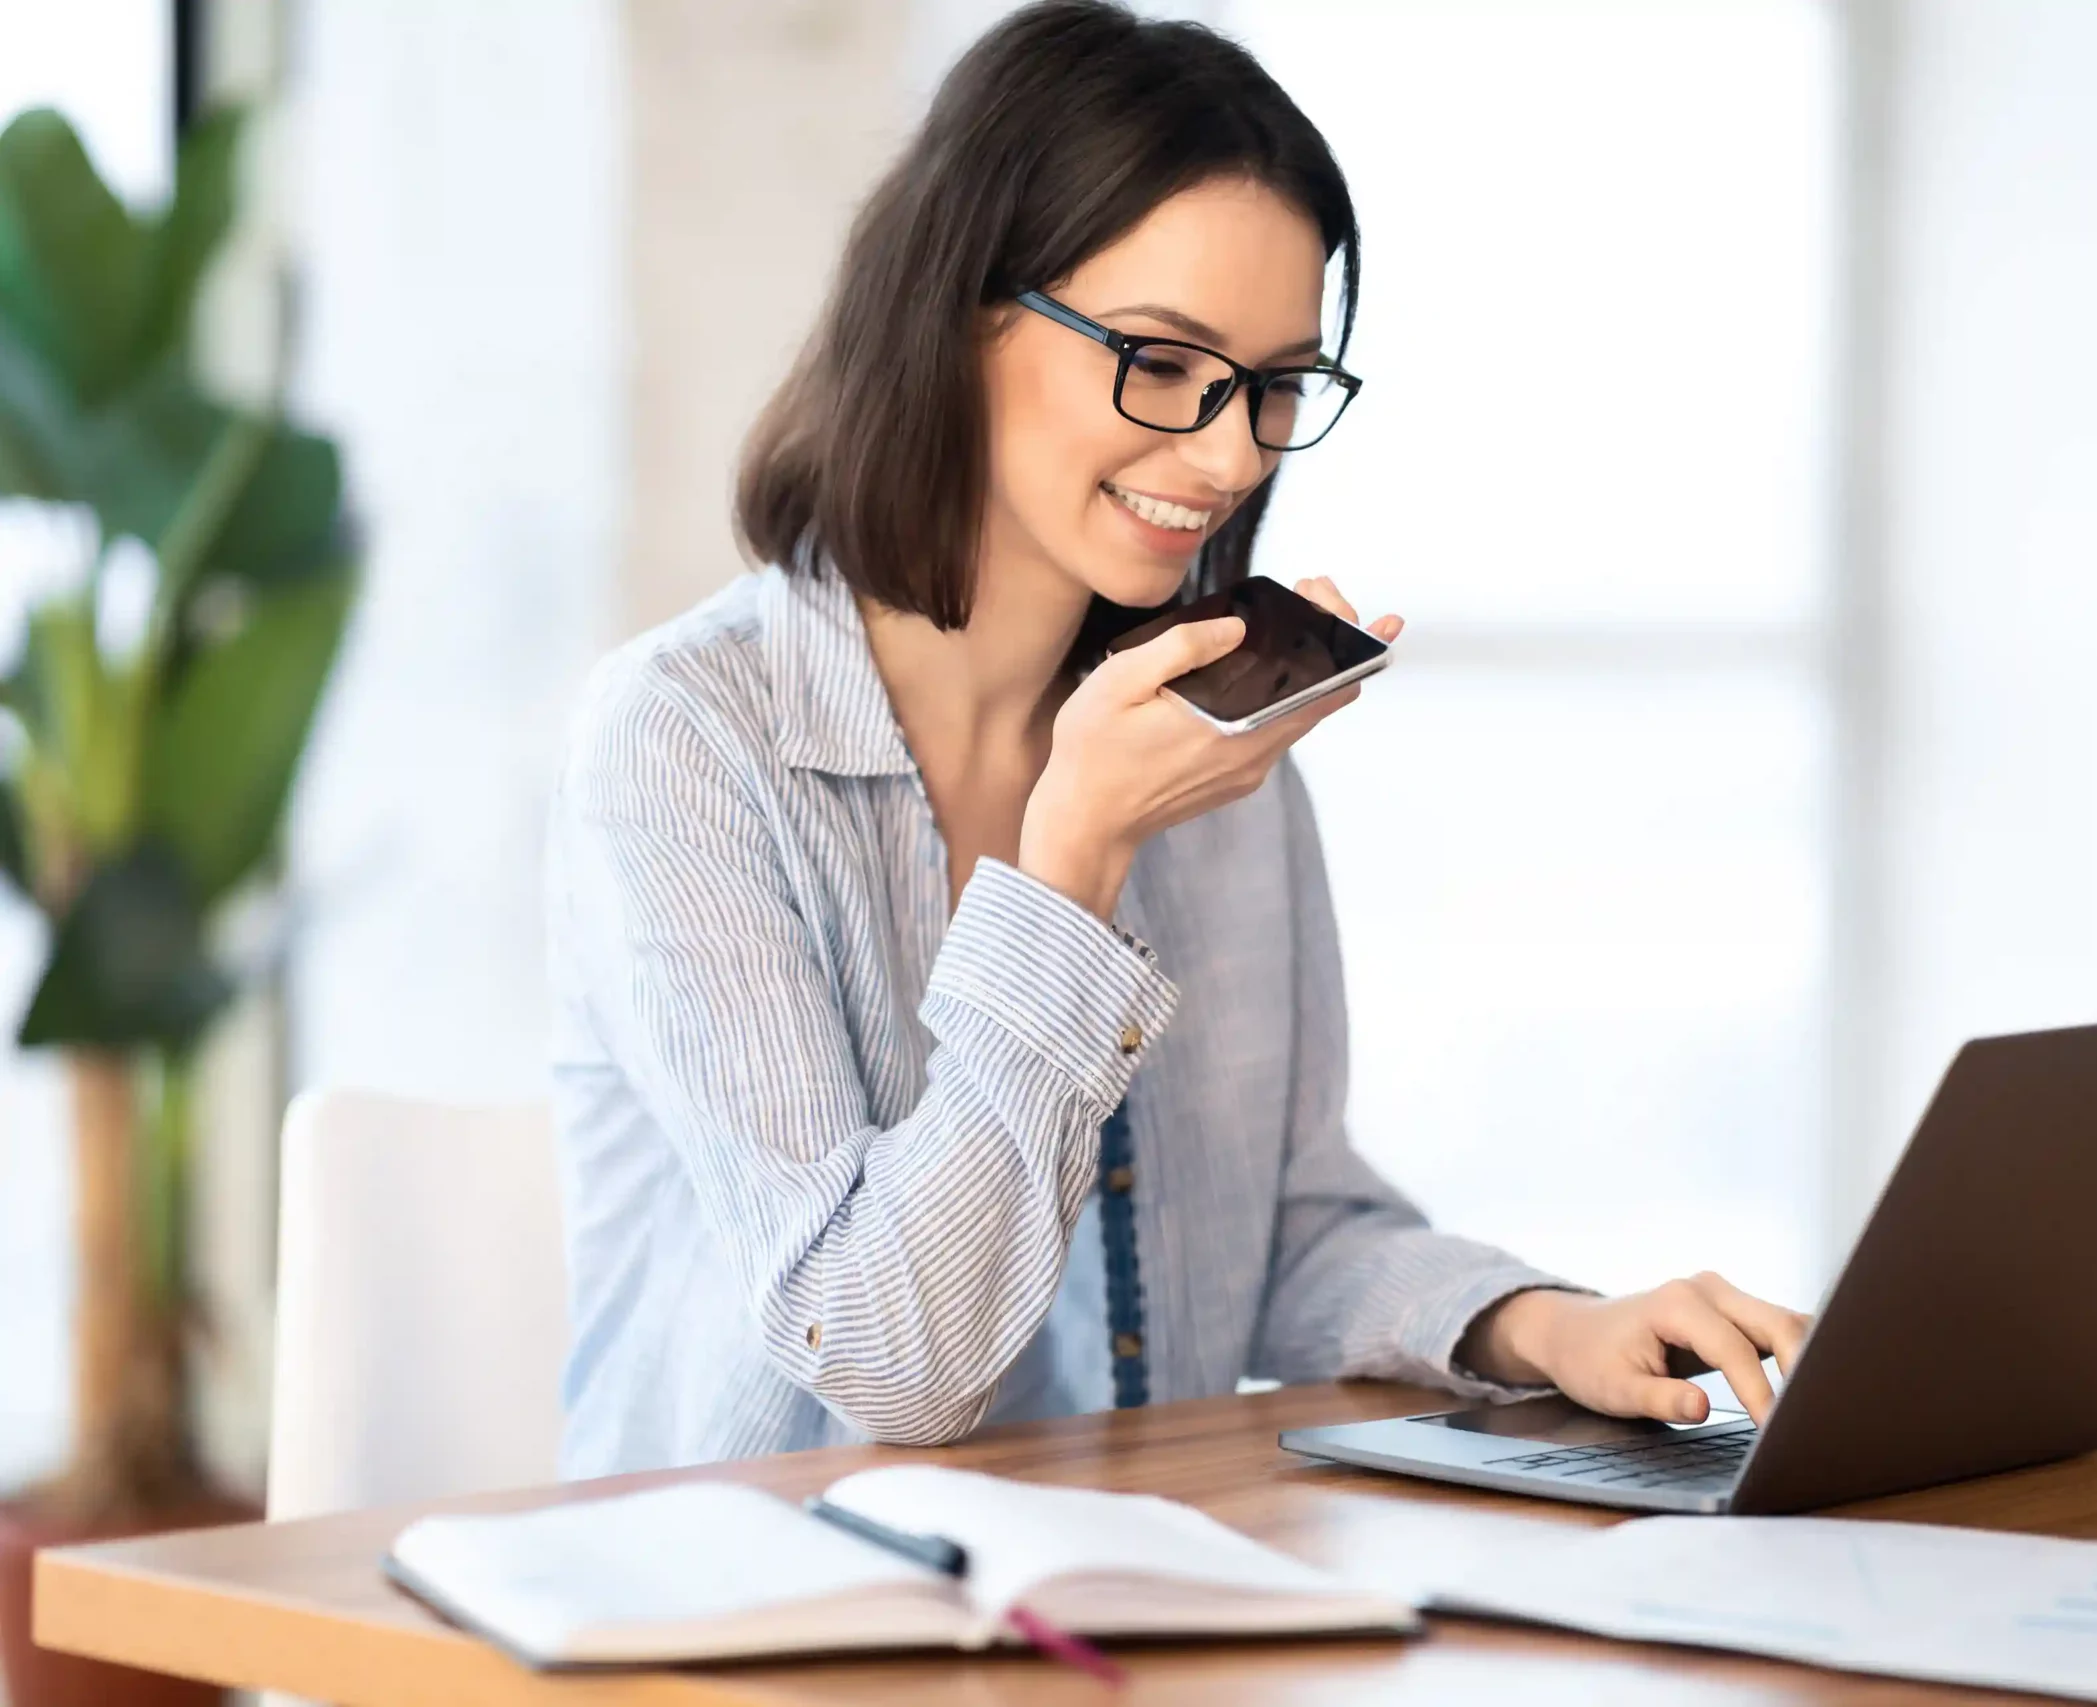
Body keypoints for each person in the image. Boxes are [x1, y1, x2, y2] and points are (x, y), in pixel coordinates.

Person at [547, 0, 1808, 1477]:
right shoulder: (687, 742)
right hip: (748, 1580)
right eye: (1160, 359)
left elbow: (1280, 1229)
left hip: (1126, 1564)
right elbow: (887, 1356)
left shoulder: (1209, 739)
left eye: (1277, 385)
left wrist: (1544, 1327)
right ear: (957, 312)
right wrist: (1072, 864)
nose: (1227, 453)